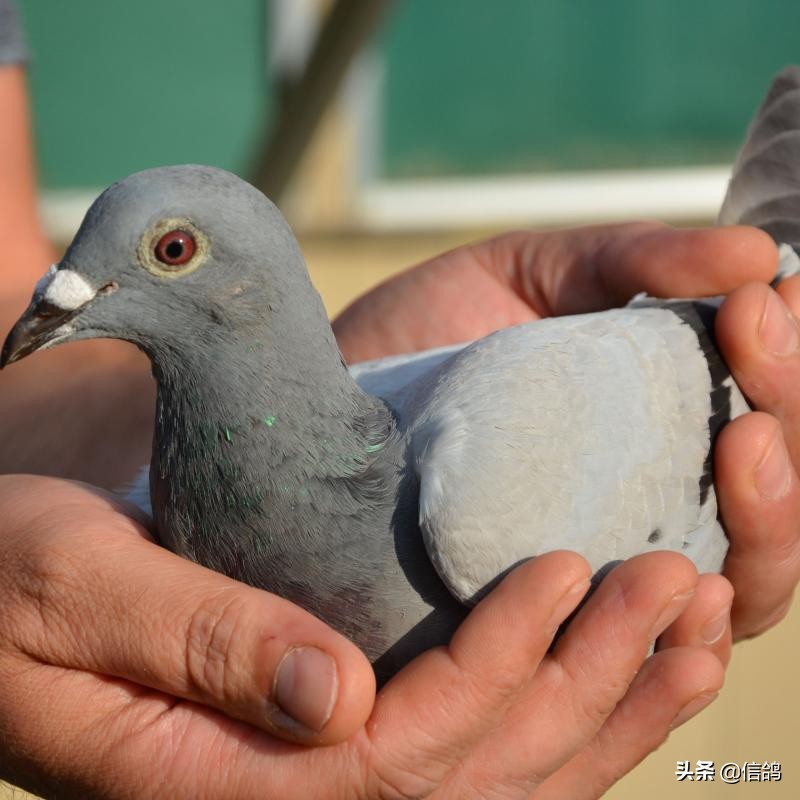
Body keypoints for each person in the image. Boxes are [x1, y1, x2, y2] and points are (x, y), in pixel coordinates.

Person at [2, 3, 800, 797]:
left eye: (170, 253)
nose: (59, 295)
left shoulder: (484, 494)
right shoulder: (167, 506)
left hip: (714, 360)